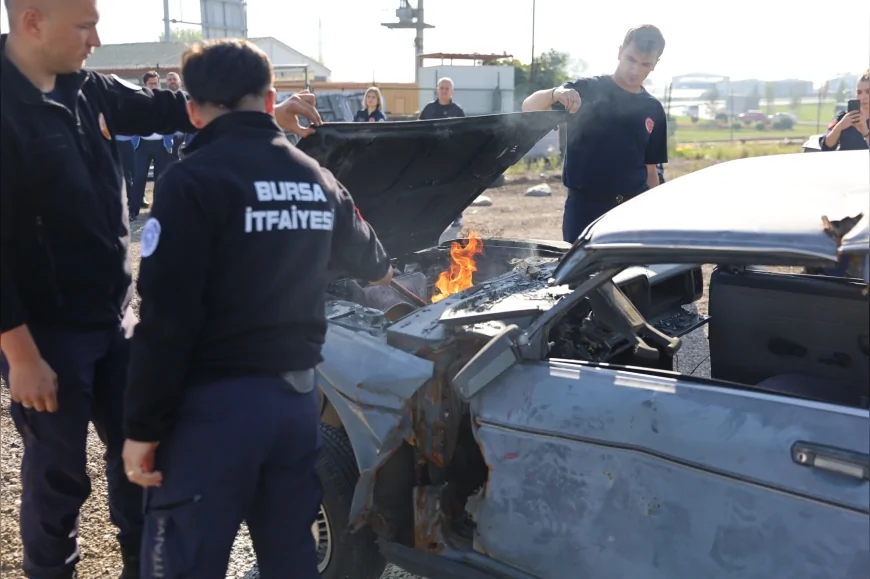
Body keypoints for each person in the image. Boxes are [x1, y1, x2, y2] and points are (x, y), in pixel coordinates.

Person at [0, 1, 323, 578]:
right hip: (47, 335)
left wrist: (255, 113)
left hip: (111, 318)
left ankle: (138, 565)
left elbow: (176, 105)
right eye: (84, 25)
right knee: (58, 472)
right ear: (31, 21)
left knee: (145, 455)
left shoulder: (88, 88)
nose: (96, 38)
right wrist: (20, 354)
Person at [120, 39, 393, 579]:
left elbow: (165, 321)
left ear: (194, 109)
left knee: (184, 563)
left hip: (210, 416)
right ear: (271, 103)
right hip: (294, 407)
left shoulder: (190, 181)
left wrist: (142, 429)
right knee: (291, 560)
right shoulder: (319, 179)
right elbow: (375, 263)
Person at [522, 24, 668, 243]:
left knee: (631, 277)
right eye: (631, 59)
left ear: (655, 64)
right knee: (582, 278)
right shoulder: (586, 90)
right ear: (620, 52)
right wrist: (555, 93)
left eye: (645, 64)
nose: (636, 70)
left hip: (632, 211)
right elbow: (528, 107)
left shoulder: (653, 108)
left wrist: (655, 215)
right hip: (585, 211)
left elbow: (651, 171)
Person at [128, 71, 176, 219]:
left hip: (163, 144)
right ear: (145, 84)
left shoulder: (166, 99)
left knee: (160, 179)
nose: (154, 86)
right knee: (139, 177)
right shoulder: (137, 100)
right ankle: (133, 211)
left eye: (156, 83)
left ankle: (157, 211)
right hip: (142, 145)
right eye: (151, 84)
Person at [419, 77, 466, 226]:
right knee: (430, 186)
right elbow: (418, 130)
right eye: (442, 88)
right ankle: (431, 217)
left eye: (447, 88)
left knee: (453, 186)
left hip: (452, 156)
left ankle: (456, 216)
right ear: (437, 90)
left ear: (452, 91)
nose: (444, 91)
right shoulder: (428, 109)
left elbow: (464, 133)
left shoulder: (457, 111)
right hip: (431, 156)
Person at [820, 70, 869, 151]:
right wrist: (840, 127)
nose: (863, 97)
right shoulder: (842, 117)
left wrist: (866, 133)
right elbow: (825, 146)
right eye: (859, 92)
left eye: (868, 92)